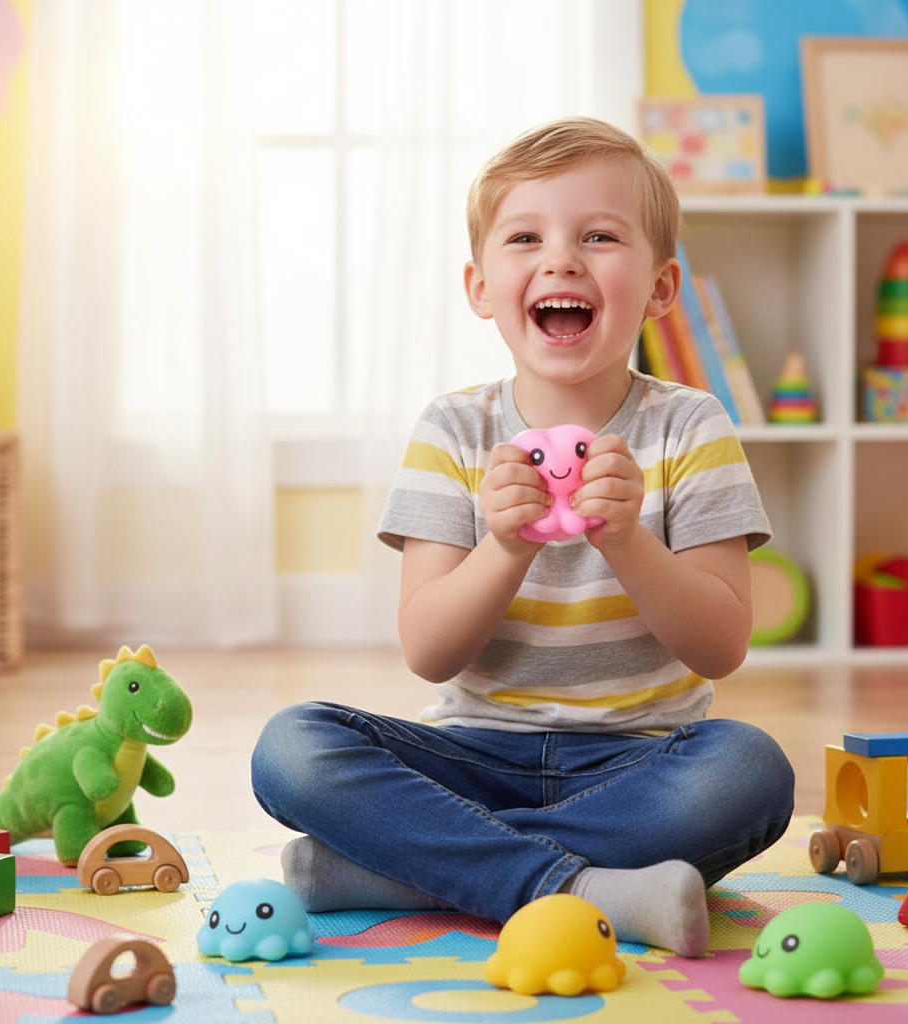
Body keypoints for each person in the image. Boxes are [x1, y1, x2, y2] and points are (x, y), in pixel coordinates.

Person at [251, 116, 794, 958]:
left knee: (751, 769)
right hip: (471, 753)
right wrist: (504, 547)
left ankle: (413, 869)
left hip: (638, 762)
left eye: (601, 236)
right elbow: (429, 651)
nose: (562, 259)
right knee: (290, 746)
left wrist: (627, 539)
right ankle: (574, 886)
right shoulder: (453, 431)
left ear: (659, 286)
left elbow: (720, 644)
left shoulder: (691, 425)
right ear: (479, 287)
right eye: (527, 237)